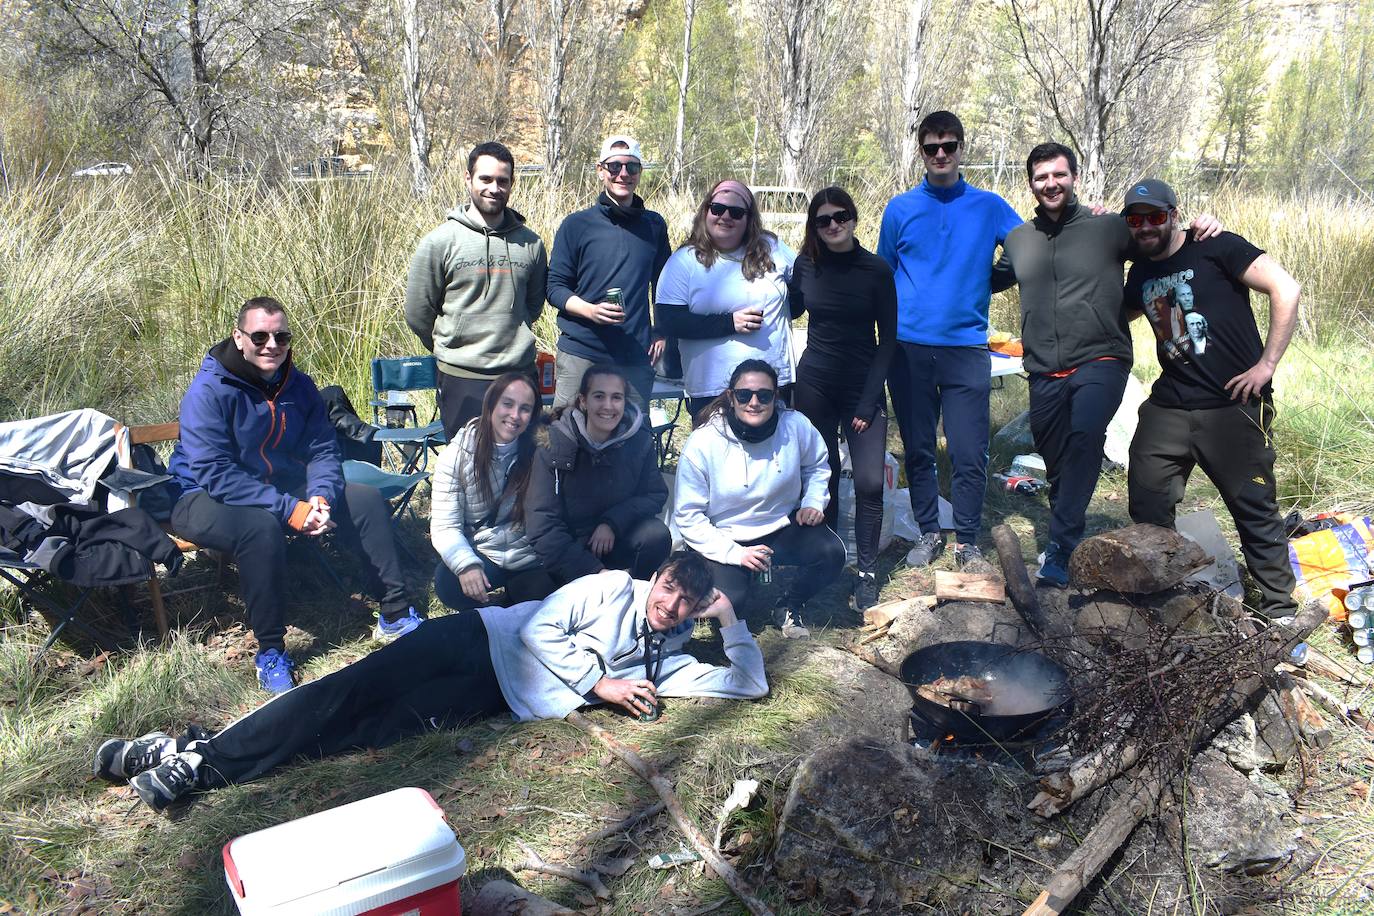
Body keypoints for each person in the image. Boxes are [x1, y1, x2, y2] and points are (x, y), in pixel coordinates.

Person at [93, 554, 768, 812]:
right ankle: (200, 762)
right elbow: (539, 634)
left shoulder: (673, 651)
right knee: (345, 693)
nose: (669, 607)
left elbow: (749, 686)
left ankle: (183, 752)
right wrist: (602, 686)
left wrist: (731, 618)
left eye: (687, 603)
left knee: (353, 735)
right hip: (477, 637)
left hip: (490, 699)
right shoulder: (611, 588)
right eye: (671, 589)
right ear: (662, 575)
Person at [166, 297, 422, 695]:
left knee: (364, 499)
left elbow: (322, 449)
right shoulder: (209, 391)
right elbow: (214, 473)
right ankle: (270, 651)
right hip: (198, 495)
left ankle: (395, 613)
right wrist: (290, 509)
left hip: (276, 488)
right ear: (239, 337)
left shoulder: (298, 386)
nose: (272, 344)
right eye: (260, 336)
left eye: (281, 336)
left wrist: (319, 496)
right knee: (261, 527)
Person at [992, 143, 1222, 585]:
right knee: (1056, 456)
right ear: (1031, 184)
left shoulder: (1109, 228)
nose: (1050, 184)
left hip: (1101, 357)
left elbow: (1162, 241)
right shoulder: (1019, 239)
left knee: (1084, 435)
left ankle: (1061, 546)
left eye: (1059, 175)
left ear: (1073, 177)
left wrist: (1199, 228)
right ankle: (1066, 520)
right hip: (1042, 369)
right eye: (1041, 177)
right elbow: (987, 280)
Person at [1122, 178, 1300, 620]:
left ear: (1175, 214)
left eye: (1156, 216)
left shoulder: (1216, 246)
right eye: (1136, 219)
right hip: (1170, 403)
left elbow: (1286, 289)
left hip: (1233, 404)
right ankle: (1163, 598)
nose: (1146, 226)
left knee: (1254, 508)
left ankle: (1279, 610)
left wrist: (1266, 366)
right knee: (1146, 501)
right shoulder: (1139, 270)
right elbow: (1114, 310)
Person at [877, 111, 1021, 573]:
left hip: (965, 349)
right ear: (921, 151)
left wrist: (991, 279)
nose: (941, 154)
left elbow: (1030, 248)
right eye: (931, 147)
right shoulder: (900, 209)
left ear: (962, 149)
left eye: (949, 146)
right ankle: (927, 532)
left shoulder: (989, 206)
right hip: (908, 347)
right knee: (918, 446)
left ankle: (967, 539)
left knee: (967, 449)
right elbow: (883, 273)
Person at [673, 359, 844, 638]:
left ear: (776, 397)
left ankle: (789, 603)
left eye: (764, 395)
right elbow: (688, 516)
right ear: (731, 397)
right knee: (731, 604)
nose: (754, 402)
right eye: (744, 395)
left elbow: (817, 464)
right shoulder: (703, 443)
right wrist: (736, 554)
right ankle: (717, 580)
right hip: (725, 535)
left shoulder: (796, 426)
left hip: (779, 526)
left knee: (832, 553)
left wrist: (813, 501)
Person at [788, 187, 897, 611]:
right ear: (814, 226)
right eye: (823, 220)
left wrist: (869, 402)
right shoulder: (806, 266)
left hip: (861, 386)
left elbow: (888, 341)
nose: (833, 225)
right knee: (823, 474)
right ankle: (825, 564)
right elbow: (791, 309)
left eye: (841, 216)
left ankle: (867, 573)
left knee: (870, 481)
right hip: (814, 381)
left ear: (853, 218)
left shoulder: (876, 270)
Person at [405, 141, 548, 441]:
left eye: (502, 181)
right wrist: (454, 348)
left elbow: (532, 307)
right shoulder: (440, 242)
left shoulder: (531, 244)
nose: (494, 188)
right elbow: (418, 313)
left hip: (519, 375)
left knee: (521, 468)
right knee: (467, 467)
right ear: (468, 179)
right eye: (486, 179)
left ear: (511, 185)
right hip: (462, 377)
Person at [546, 135, 672, 409]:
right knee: (564, 436)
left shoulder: (654, 226)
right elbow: (555, 287)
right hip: (582, 350)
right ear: (600, 170)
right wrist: (590, 311)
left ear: (640, 173)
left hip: (635, 355)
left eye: (632, 167)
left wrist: (660, 331)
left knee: (633, 439)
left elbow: (664, 285)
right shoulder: (576, 225)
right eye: (614, 167)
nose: (623, 174)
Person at [655, 180, 797, 416]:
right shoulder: (684, 261)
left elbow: (802, 288)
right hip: (712, 389)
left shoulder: (771, 247)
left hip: (773, 385)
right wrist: (729, 323)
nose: (725, 217)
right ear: (706, 212)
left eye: (736, 212)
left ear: (749, 219)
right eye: (718, 209)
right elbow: (668, 320)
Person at [525, 365, 671, 588]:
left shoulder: (639, 440)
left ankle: (636, 596)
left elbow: (655, 494)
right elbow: (542, 524)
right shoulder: (553, 443)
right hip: (568, 547)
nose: (608, 406)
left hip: (614, 539)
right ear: (583, 401)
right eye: (599, 396)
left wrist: (612, 522)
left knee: (656, 535)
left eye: (616, 398)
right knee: (533, 593)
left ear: (625, 402)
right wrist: (593, 571)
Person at [431, 371, 556, 611]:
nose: (515, 415)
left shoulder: (541, 450)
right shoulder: (456, 455)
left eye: (525, 408)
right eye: (507, 404)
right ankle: (495, 609)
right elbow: (445, 526)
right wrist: (466, 565)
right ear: (490, 405)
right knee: (448, 583)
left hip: (528, 552)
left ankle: (510, 604)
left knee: (541, 596)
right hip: (484, 549)